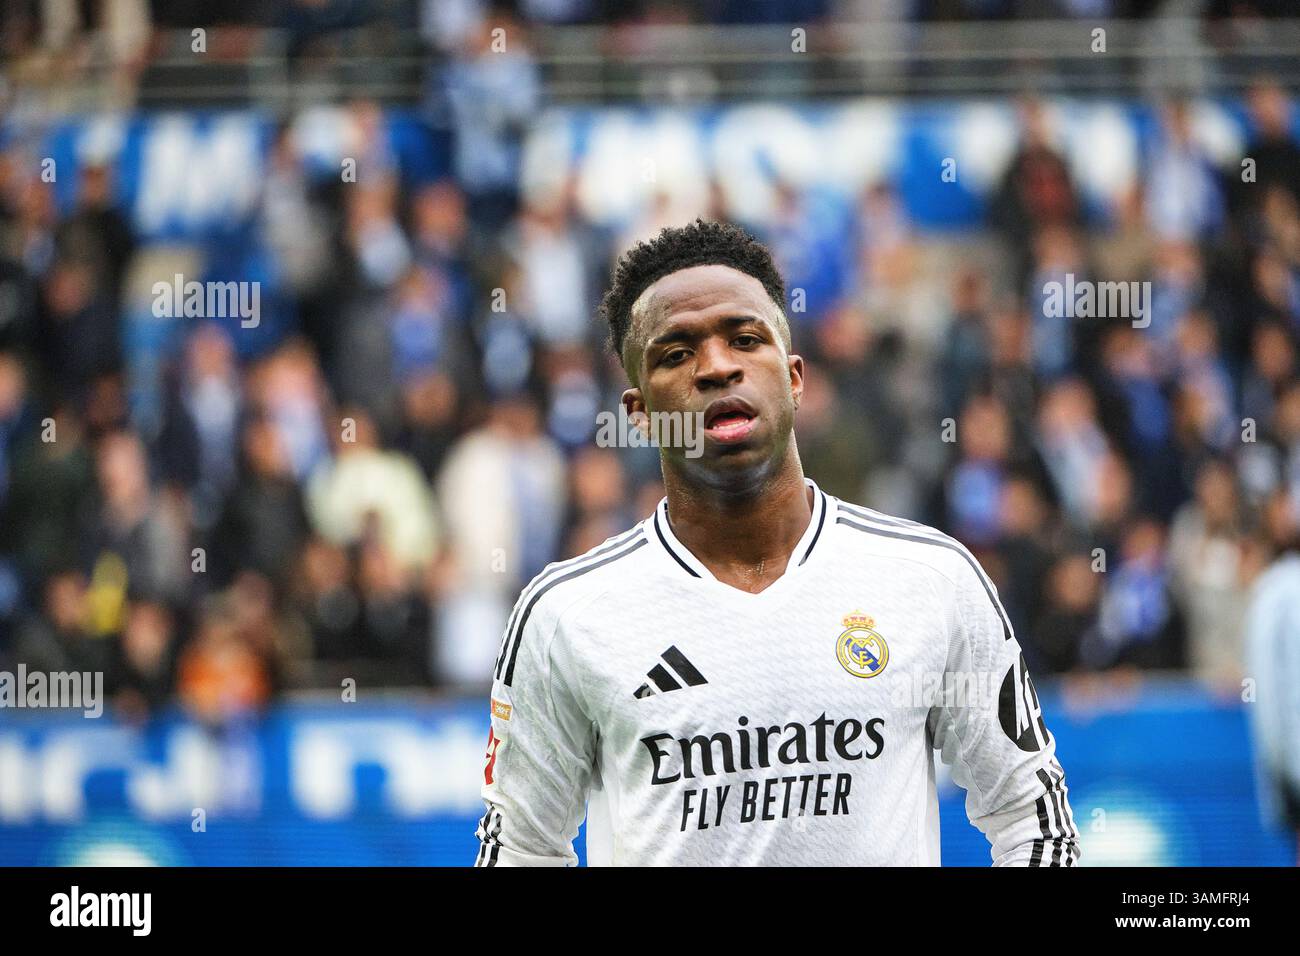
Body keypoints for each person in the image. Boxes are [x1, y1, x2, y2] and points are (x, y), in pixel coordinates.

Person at [473, 220, 1079, 866]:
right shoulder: (569, 615)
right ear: (639, 411)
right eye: (676, 354)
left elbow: (1031, 817)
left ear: (794, 376)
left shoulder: (930, 580)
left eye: (744, 339)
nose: (718, 367)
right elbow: (520, 851)